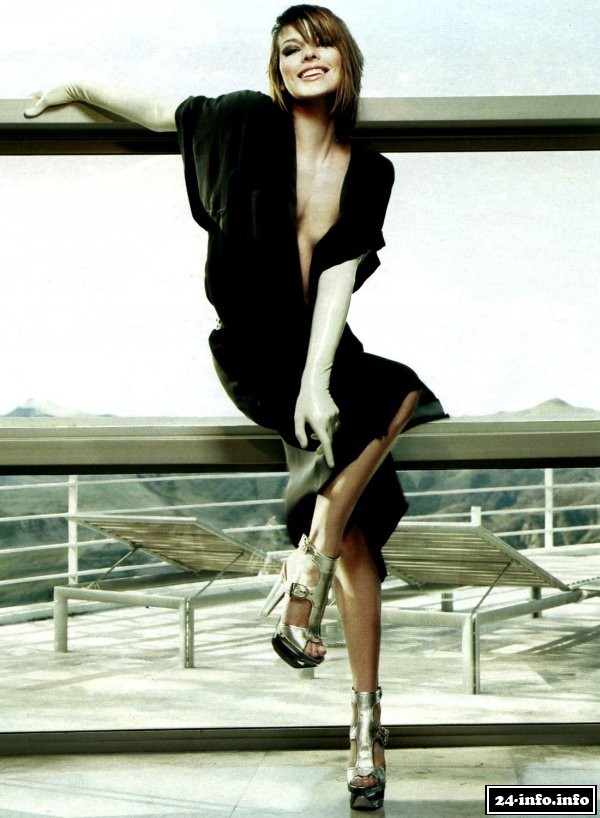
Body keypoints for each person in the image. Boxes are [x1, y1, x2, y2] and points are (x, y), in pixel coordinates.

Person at [25, 4, 446, 810]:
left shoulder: (371, 169)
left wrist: (320, 379)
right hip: (254, 350)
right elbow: (161, 112)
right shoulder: (244, 123)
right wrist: (75, 85)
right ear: (276, 70)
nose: (305, 57)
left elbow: (338, 281)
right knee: (373, 457)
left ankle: (347, 677)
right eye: (290, 50)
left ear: (345, 59)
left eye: (320, 44)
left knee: (380, 448)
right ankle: (316, 586)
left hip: (325, 354)